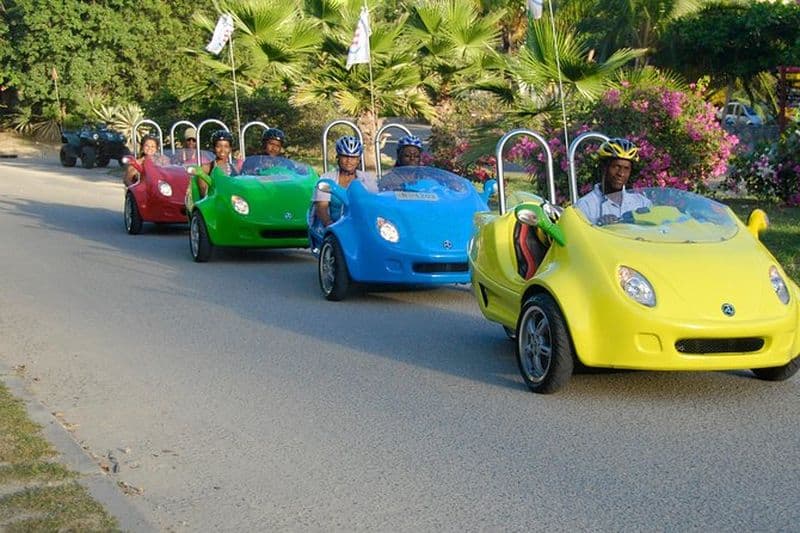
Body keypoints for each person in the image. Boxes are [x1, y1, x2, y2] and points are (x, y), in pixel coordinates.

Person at [308, 136, 377, 250]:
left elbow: (374, 203)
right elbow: (321, 208)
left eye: (353, 157)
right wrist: (330, 227)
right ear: (338, 157)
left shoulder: (367, 179)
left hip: (360, 225)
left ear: (358, 160)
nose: (349, 161)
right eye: (345, 156)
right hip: (334, 225)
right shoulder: (327, 178)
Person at [574, 138, 651, 225]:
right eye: (616, 167)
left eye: (626, 169)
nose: (621, 173)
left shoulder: (641, 203)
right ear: (604, 168)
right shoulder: (585, 206)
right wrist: (598, 225)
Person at [199, 130, 241, 197]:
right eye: (219, 146)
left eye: (226, 146)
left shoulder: (235, 168)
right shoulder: (206, 168)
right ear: (214, 148)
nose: (222, 150)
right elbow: (204, 194)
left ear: (230, 149)